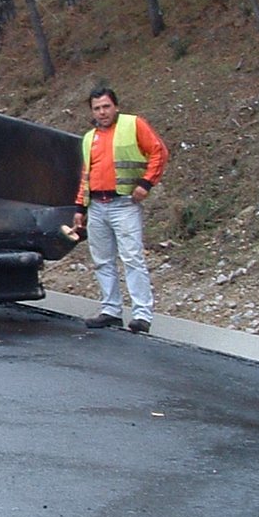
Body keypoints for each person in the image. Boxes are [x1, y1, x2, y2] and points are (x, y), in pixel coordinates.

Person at [72, 86, 169, 333]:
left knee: (132, 258)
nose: (102, 112)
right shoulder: (89, 138)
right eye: (97, 108)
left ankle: (142, 314)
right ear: (92, 112)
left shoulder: (133, 125)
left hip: (124, 204)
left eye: (106, 106)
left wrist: (146, 184)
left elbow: (158, 152)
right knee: (102, 260)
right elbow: (87, 174)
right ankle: (111, 310)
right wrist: (80, 207)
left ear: (115, 106)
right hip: (97, 205)